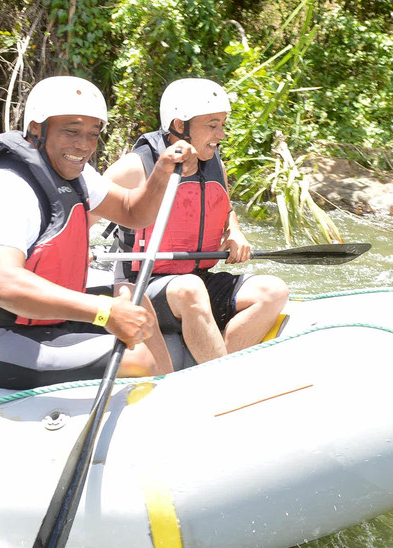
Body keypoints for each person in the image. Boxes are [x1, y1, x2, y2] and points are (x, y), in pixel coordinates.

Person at [0, 75, 195, 390]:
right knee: (137, 360)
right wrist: (103, 311)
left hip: (43, 323)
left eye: (93, 134)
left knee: (132, 298)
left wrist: (162, 172)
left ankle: (168, 400)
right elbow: (3, 285)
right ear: (37, 129)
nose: (84, 145)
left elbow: (131, 211)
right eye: (72, 131)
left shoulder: (75, 174)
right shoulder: (1, 186)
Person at [104, 78, 289, 365]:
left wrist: (235, 232)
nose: (222, 134)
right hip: (140, 285)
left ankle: (220, 362)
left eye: (223, 125)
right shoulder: (134, 167)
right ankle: (218, 377)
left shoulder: (215, 163)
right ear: (180, 126)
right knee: (190, 287)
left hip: (196, 278)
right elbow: (83, 210)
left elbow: (223, 207)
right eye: (213, 125)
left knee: (274, 291)